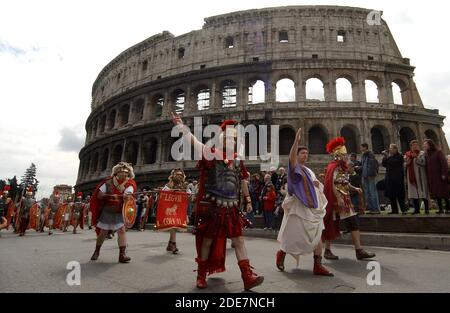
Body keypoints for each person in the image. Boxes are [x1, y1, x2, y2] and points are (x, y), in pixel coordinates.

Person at [171, 112, 263, 291]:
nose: (232, 142)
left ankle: (247, 276)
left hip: (231, 206)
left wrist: (248, 199)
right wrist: (182, 128)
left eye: (234, 139)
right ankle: (201, 275)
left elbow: (242, 180)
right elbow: (194, 143)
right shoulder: (211, 153)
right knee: (207, 241)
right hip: (213, 206)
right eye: (228, 139)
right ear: (221, 140)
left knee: (239, 240)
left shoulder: (237, 160)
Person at [276, 128, 333, 276]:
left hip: (313, 207)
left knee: (318, 233)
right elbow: (291, 157)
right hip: (298, 206)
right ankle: (282, 253)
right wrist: (296, 141)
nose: (305, 155)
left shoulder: (309, 171)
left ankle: (318, 265)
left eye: (307, 153)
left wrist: (318, 185)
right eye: (302, 153)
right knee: (292, 234)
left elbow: (316, 187)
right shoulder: (294, 168)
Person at [322, 137, 376, 261]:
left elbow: (344, 183)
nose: (346, 157)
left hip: (345, 199)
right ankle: (327, 250)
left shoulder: (343, 167)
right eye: (344, 154)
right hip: (337, 200)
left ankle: (359, 250)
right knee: (331, 223)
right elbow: (330, 183)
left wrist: (355, 188)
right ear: (338, 155)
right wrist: (337, 198)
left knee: (353, 222)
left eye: (346, 154)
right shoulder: (333, 167)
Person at [90, 162, 137, 263]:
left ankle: (122, 255)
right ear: (116, 172)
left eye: (126, 172)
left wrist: (127, 196)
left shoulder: (130, 183)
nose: (123, 173)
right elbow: (99, 195)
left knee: (122, 231)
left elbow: (129, 194)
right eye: (121, 171)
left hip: (120, 211)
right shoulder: (108, 182)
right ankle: (96, 251)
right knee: (103, 232)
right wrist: (109, 196)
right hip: (108, 210)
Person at [161, 168, 190, 254]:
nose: (179, 176)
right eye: (177, 174)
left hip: (181, 209)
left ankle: (170, 244)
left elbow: (189, 194)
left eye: (181, 175)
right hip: (171, 208)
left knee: (178, 225)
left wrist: (189, 195)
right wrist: (170, 189)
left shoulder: (185, 185)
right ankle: (173, 244)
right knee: (173, 224)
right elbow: (163, 192)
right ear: (173, 175)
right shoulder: (169, 184)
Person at [424, 139, 450, 214]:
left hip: (440, 176)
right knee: (437, 193)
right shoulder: (427, 154)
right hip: (432, 177)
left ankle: (448, 208)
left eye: (425, 145)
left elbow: (444, 163)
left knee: (444, 193)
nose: (424, 146)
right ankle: (440, 209)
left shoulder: (438, 152)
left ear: (430, 144)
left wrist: (444, 174)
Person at [404, 140, 429, 214]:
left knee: (423, 192)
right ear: (411, 146)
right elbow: (404, 165)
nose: (415, 146)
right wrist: (407, 163)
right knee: (414, 193)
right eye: (413, 145)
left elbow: (424, 163)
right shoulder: (407, 154)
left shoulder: (422, 153)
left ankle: (426, 209)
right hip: (412, 176)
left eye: (416, 145)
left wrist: (417, 158)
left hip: (420, 175)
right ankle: (417, 209)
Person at [382, 144, 407, 214]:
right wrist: (384, 157)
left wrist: (387, 156)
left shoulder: (399, 156)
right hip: (390, 179)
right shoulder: (389, 157)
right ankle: (394, 210)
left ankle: (403, 210)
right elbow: (384, 164)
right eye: (389, 148)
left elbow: (393, 162)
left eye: (391, 148)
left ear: (395, 149)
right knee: (391, 195)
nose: (390, 150)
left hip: (397, 179)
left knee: (400, 196)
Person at [360, 143, 380, 214]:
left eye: (362, 147)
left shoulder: (370, 154)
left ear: (365, 147)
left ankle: (376, 209)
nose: (361, 148)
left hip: (370, 175)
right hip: (365, 175)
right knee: (367, 193)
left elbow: (373, 165)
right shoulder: (363, 155)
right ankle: (371, 209)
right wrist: (359, 168)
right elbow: (363, 165)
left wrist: (371, 174)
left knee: (372, 192)